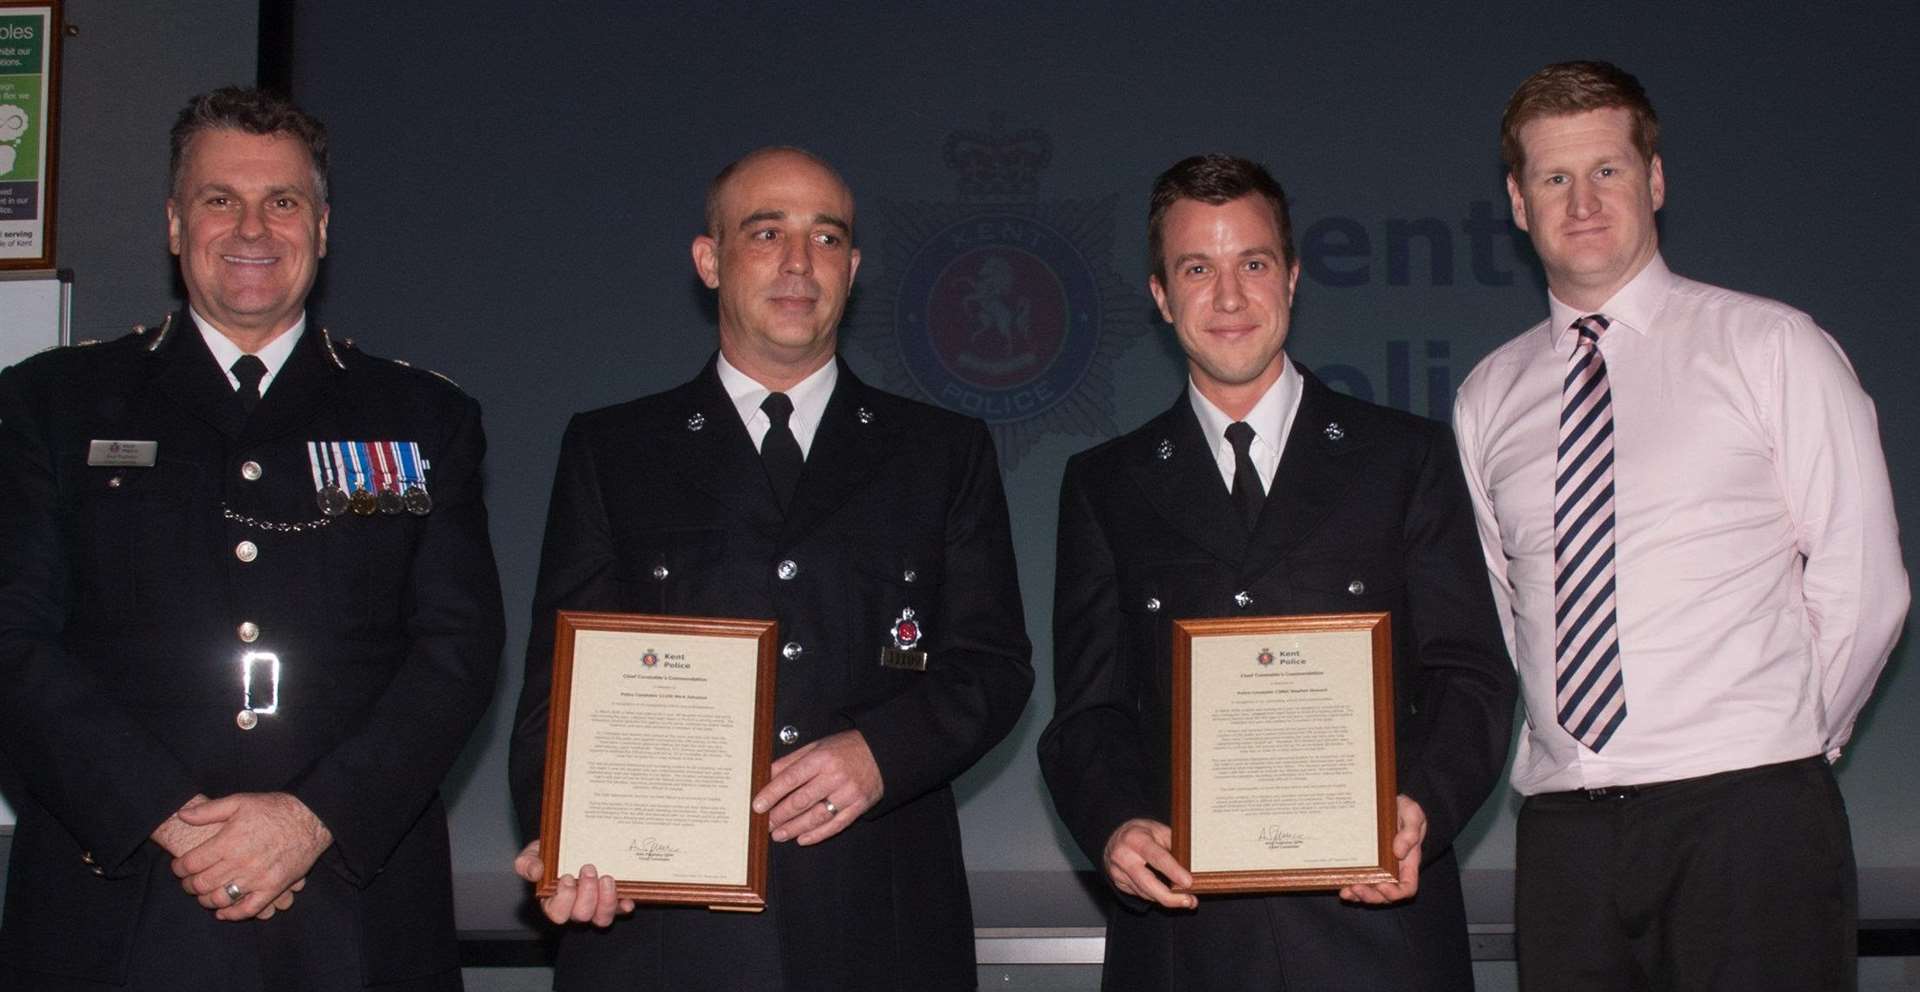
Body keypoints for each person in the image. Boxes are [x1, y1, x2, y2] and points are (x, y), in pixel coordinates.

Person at [0, 87, 505, 991]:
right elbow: (11, 642)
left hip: (353, 909)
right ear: (172, 222)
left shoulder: (422, 417)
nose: (252, 228)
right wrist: (170, 819)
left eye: (282, 202)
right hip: (121, 905)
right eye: (218, 199)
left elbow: (458, 652)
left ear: (321, 226)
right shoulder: (51, 404)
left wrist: (309, 821)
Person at [507, 146, 1033, 991]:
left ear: (852, 270)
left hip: (878, 922)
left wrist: (879, 754)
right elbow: (560, 689)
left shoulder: (940, 451)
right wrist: (564, 837)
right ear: (709, 261)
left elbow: (994, 666)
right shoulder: (615, 450)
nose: (798, 263)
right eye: (766, 233)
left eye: (826, 238)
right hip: (663, 932)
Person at [1453, 60, 1907, 991]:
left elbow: (1866, 584)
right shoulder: (1487, 396)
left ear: (1654, 181)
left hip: (1750, 820)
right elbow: (1507, 612)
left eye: (1608, 171)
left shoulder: (1772, 346)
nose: (1582, 201)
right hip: (1565, 836)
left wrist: (1777, 746)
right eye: (1554, 178)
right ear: (1517, 200)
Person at [1038, 154, 1516, 991]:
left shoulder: (1403, 457)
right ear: (1159, 295)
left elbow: (1471, 675)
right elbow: (1088, 713)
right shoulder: (1106, 485)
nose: (1228, 298)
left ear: (1292, 279)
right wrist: (1114, 826)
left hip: (1380, 934)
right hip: (1188, 948)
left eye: (1252, 264)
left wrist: (1421, 809)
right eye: (1197, 268)